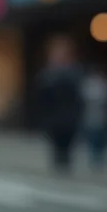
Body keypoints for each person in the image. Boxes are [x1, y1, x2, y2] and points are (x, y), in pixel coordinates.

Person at [34, 37, 84, 174]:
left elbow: (78, 96)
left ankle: (65, 171)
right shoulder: (47, 74)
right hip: (53, 120)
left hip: (69, 119)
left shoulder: (74, 71)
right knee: (57, 151)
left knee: (67, 151)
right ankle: (59, 171)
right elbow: (42, 97)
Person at [80, 67, 107, 171]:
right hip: (90, 119)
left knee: (101, 142)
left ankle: (100, 161)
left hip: (103, 119)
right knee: (92, 141)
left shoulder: (105, 85)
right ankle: (94, 161)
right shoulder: (87, 86)